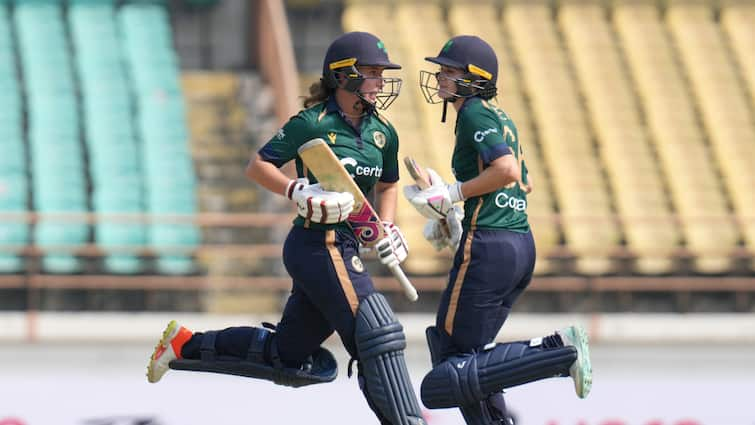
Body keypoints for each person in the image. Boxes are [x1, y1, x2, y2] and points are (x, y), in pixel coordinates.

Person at [146, 31, 426, 425]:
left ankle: (185, 343)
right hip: (317, 243)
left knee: (287, 353)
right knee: (375, 335)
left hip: (347, 246)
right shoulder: (312, 123)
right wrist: (296, 189)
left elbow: (390, 184)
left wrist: (388, 226)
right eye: (373, 73)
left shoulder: (384, 133)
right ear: (344, 75)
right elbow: (258, 166)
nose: (381, 82)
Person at [404, 35, 593, 425]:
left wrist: (454, 194)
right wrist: (454, 221)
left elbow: (505, 170)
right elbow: (524, 181)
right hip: (518, 246)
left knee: (449, 358)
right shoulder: (499, 115)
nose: (440, 76)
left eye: (449, 71)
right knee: (471, 361)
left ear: (474, 78)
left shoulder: (474, 113)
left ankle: (559, 350)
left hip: (490, 245)